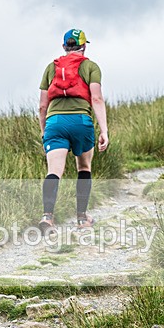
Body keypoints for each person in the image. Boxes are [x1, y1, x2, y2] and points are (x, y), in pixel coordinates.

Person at [38, 28, 109, 232]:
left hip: (54, 122)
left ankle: (47, 217)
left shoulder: (51, 68)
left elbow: (42, 105)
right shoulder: (91, 67)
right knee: (84, 168)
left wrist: (44, 130)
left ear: (64, 47)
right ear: (84, 46)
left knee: (54, 171)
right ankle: (81, 218)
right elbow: (96, 98)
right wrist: (104, 130)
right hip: (81, 121)